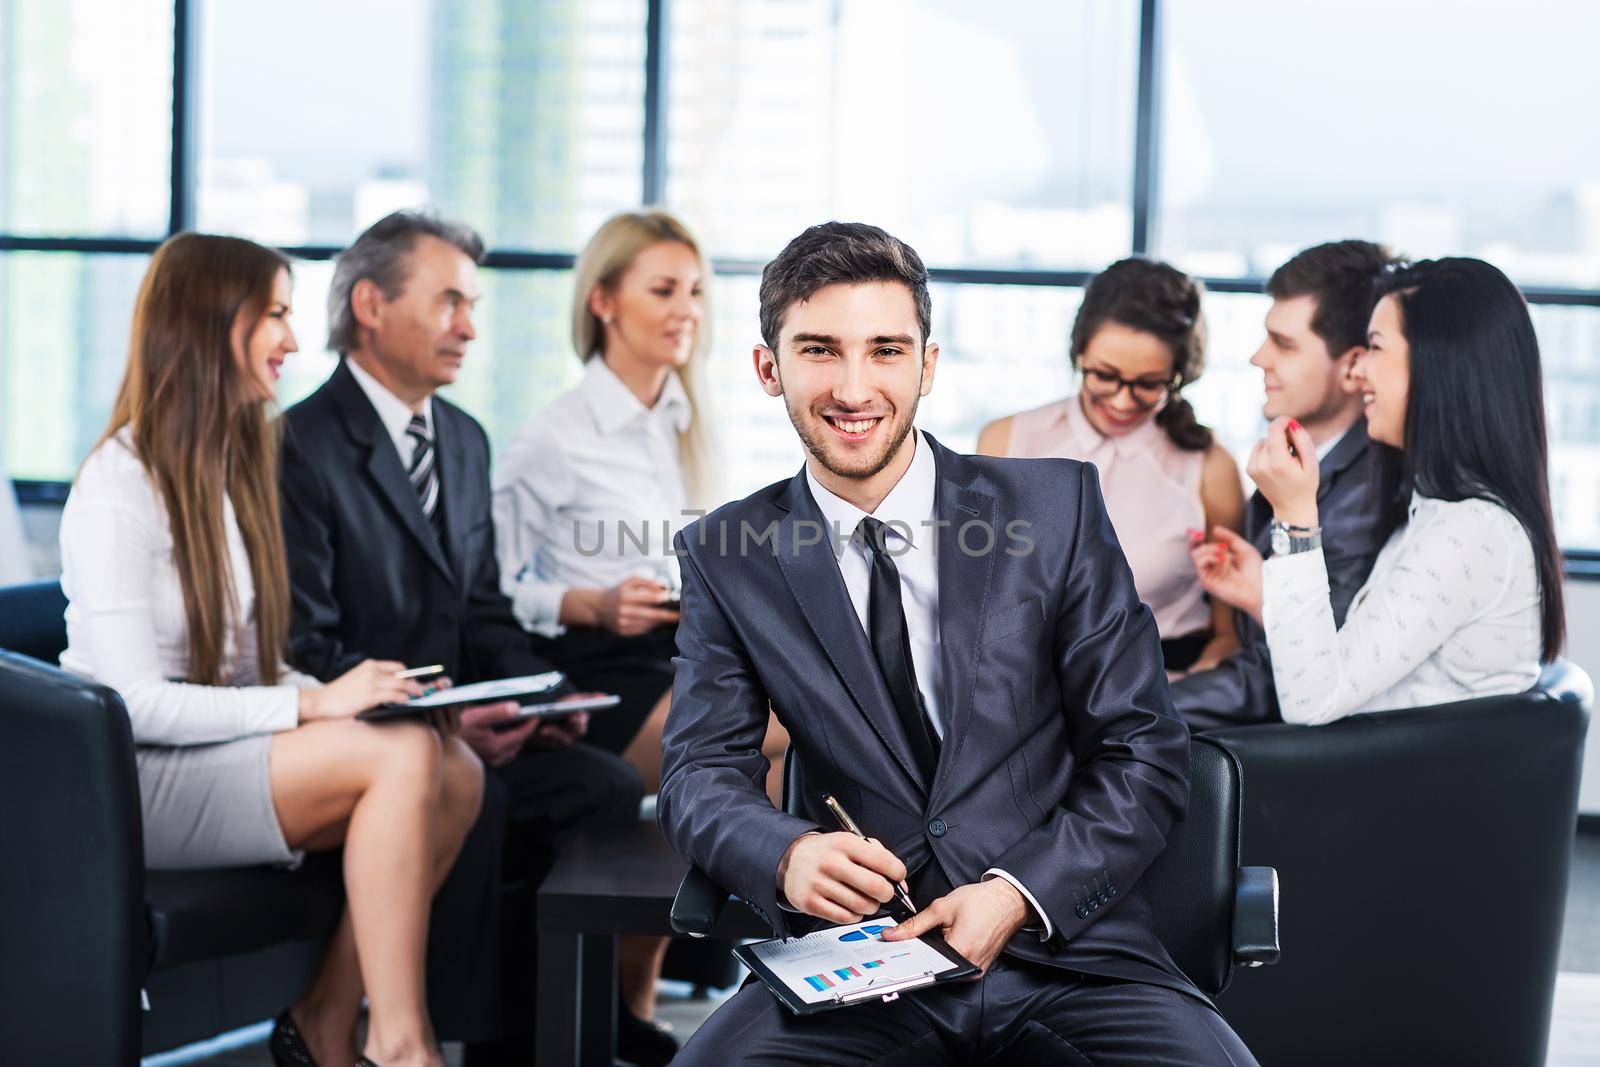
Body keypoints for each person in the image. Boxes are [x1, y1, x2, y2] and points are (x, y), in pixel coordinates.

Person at [658, 222, 1256, 1064]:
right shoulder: (728, 554)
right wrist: (786, 853)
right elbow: (698, 774)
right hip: (857, 959)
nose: (854, 386)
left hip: (1069, 952)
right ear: (770, 368)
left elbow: (1143, 751)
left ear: (928, 366)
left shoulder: (1054, 509)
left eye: (886, 350)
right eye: (821, 350)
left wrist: (1016, 895)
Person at [59, 233, 481, 1067]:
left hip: (221, 746)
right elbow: (133, 702)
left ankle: (325, 1015)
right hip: (134, 779)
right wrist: (316, 702)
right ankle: (399, 1042)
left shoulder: (232, 467)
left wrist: (357, 690)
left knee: (453, 765)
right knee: (397, 760)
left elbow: (251, 661)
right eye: (276, 315)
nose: (294, 339)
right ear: (214, 324)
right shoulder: (118, 482)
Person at [278, 211, 646, 1065]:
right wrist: (441, 719)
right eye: (449, 302)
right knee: (474, 793)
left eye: (472, 305)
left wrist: (534, 694)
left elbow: (483, 610)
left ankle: (547, 1042)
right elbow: (307, 641)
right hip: (372, 727)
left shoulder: (464, 440)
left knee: (599, 783)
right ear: (370, 304)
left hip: (463, 719)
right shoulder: (300, 444)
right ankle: (428, 1035)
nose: (470, 327)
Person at [492, 209, 784, 1043]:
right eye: (664, 289)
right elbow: (488, 590)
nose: (687, 307)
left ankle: (643, 1004)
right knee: (772, 743)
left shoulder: (682, 424)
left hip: (670, 652)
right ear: (605, 301)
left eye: (696, 290)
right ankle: (759, 991)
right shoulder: (553, 437)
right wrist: (586, 603)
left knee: (758, 758)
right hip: (590, 669)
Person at [1195, 257, 1561, 726]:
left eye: (1374, 347)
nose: (1358, 371)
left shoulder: (1472, 530)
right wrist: (1263, 593)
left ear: (1438, 364)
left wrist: (1295, 519)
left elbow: (1310, 703)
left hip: (1401, 791)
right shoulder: (1439, 510)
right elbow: (1345, 661)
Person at [1170, 240, 1397, 731]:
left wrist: (1140, 704)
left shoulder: (1369, 491)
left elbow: (1288, 676)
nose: (1258, 357)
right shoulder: (1298, 453)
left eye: (1285, 344)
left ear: (1353, 365)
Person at [977, 258, 1246, 673]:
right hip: (1035, 683)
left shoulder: (1210, 466)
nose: (1122, 401)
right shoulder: (1008, 442)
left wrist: (1193, 687)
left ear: (1180, 374)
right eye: (1104, 376)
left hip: (1167, 685)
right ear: (1079, 351)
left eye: (1148, 384)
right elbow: (980, 594)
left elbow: (1227, 634)